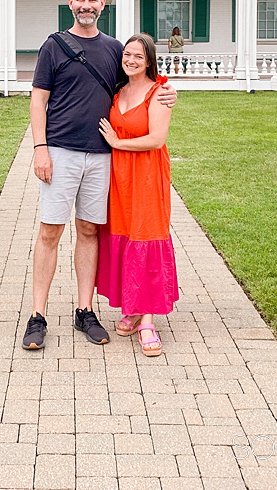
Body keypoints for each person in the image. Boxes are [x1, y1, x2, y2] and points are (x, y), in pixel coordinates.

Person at [24, 0, 176, 350]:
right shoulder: (53, 47)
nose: (86, 5)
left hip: (102, 158)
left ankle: (85, 310)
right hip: (59, 152)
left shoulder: (113, 49)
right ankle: (38, 315)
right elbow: (38, 101)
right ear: (70, 2)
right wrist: (39, 148)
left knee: (90, 231)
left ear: (102, 4)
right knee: (50, 232)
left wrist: (168, 90)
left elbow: (140, 80)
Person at [95, 32, 178, 357]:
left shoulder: (159, 93)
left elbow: (157, 139)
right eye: (127, 54)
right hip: (120, 178)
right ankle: (130, 308)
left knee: (146, 237)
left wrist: (118, 144)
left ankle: (147, 320)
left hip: (146, 175)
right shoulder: (118, 90)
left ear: (149, 61)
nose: (130, 60)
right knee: (125, 238)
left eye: (138, 57)